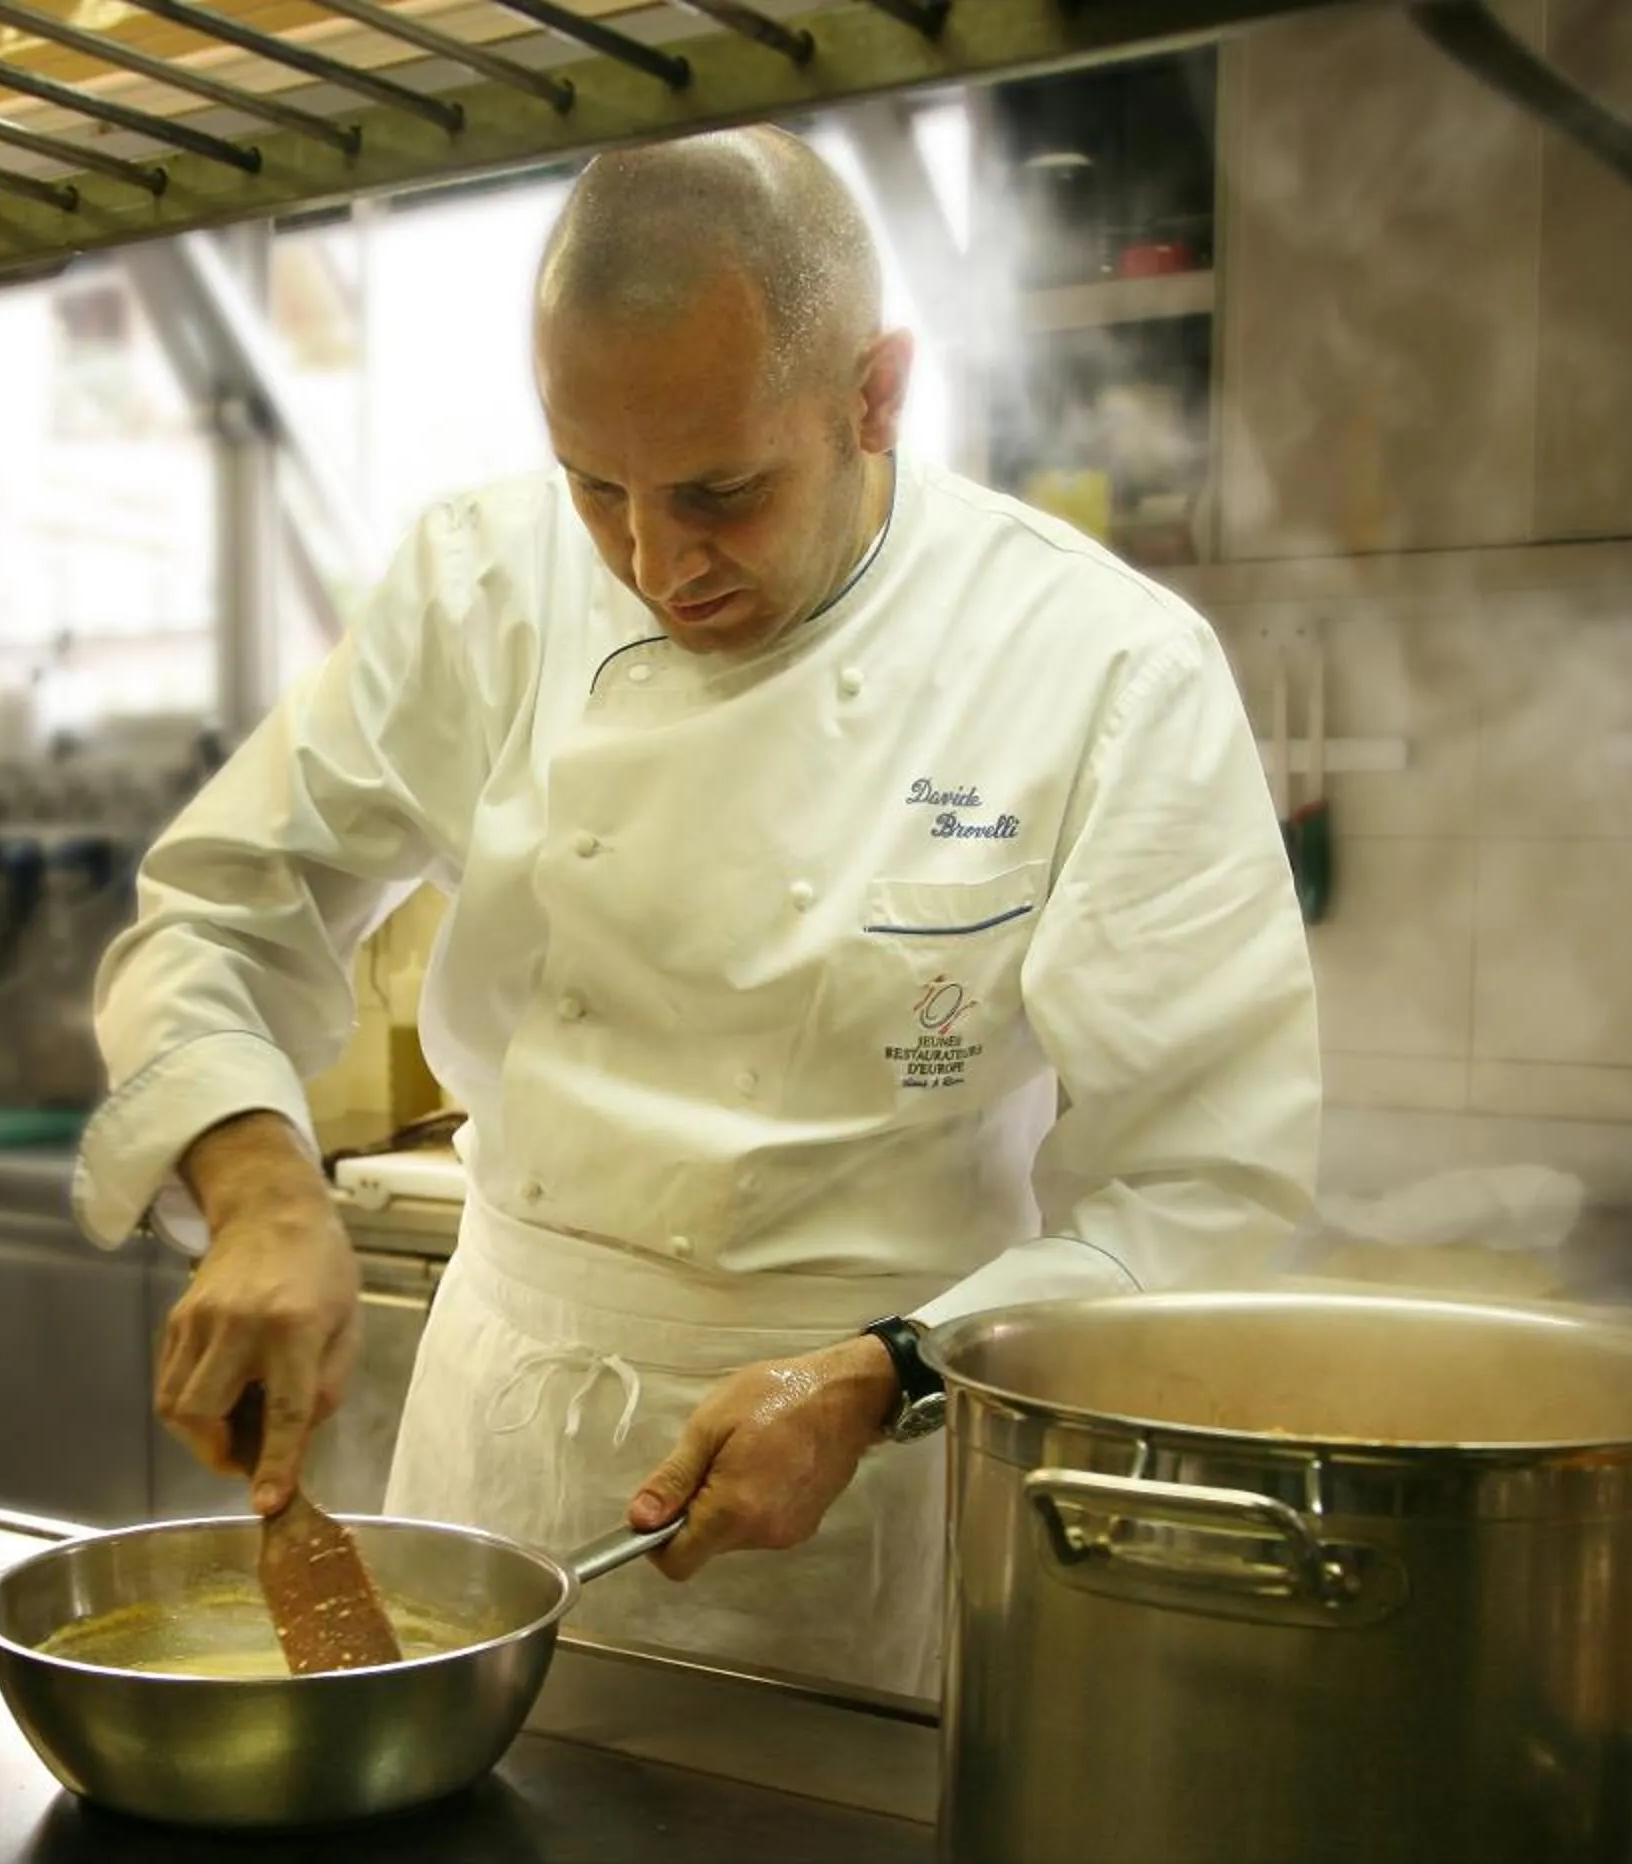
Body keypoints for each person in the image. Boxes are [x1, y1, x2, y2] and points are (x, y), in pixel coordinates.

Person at [75, 124, 1319, 1699]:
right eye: (596, 487)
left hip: (877, 1492)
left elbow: (1203, 1185)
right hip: (505, 1439)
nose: (659, 563)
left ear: (875, 395)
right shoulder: (483, 584)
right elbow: (216, 910)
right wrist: (259, 1191)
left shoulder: (1102, 666)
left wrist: (888, 1377)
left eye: (722, 491)